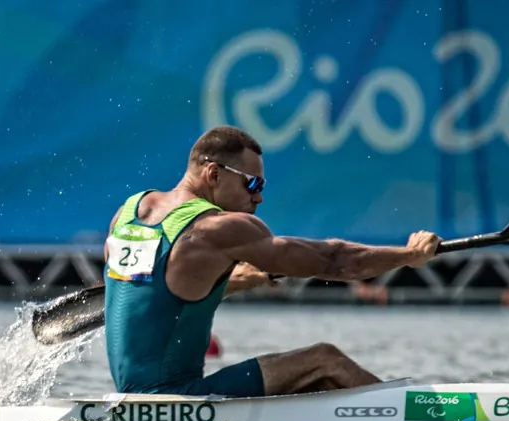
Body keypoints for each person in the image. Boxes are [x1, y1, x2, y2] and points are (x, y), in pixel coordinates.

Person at [103, 125, 441, 398]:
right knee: (326, 361)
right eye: (251, 183)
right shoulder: (219, 227)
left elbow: (154, 299)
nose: (259, 196)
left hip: (129, 395)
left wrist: (233, 281)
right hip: (178, 395)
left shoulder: (130, 213)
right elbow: (335, 261)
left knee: (315, 383)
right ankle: (422, 415)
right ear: (213, 174)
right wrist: (410, 255)